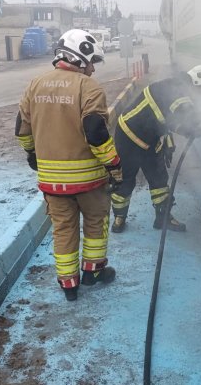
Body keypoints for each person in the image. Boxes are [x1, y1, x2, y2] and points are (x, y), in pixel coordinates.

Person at [15, 29, 122, 302]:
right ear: (81, 56)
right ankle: (93, 273)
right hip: (89, 181)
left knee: (63, 229)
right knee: (96, 224)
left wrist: (32, 155)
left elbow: (22, 130)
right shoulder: (89, 88)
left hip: (52, 182)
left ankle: (69, 285)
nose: (93, 69)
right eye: (92, 62)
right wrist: (114, 165)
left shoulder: (35, 85)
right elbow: (96, 132)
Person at [111, 64, 201, 233]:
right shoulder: (178, 92)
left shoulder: (177, 87)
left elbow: (166, 120)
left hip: (150, 138)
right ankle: (119, 217)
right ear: (197, 81)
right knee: (125, 179)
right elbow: (184, 120)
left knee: (159, 177)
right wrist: (199, 126)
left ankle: (163, 217)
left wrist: (168, 142)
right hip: (128, 136)